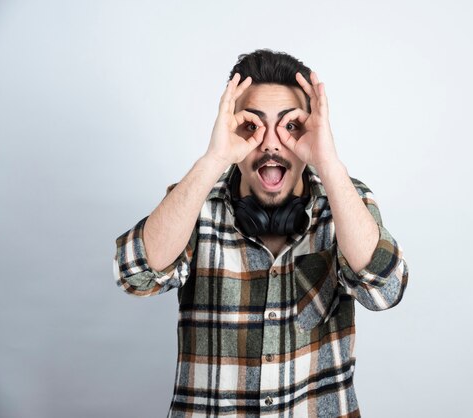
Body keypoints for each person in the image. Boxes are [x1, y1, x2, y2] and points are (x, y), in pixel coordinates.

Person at [113, 49, 408, 418]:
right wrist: (214, 160)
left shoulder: (346, 200)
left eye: (291, 126)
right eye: (251, 126)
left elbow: (385, 290)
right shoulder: (193, 201)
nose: (270, 143)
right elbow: (134, 276)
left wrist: (329, 164)